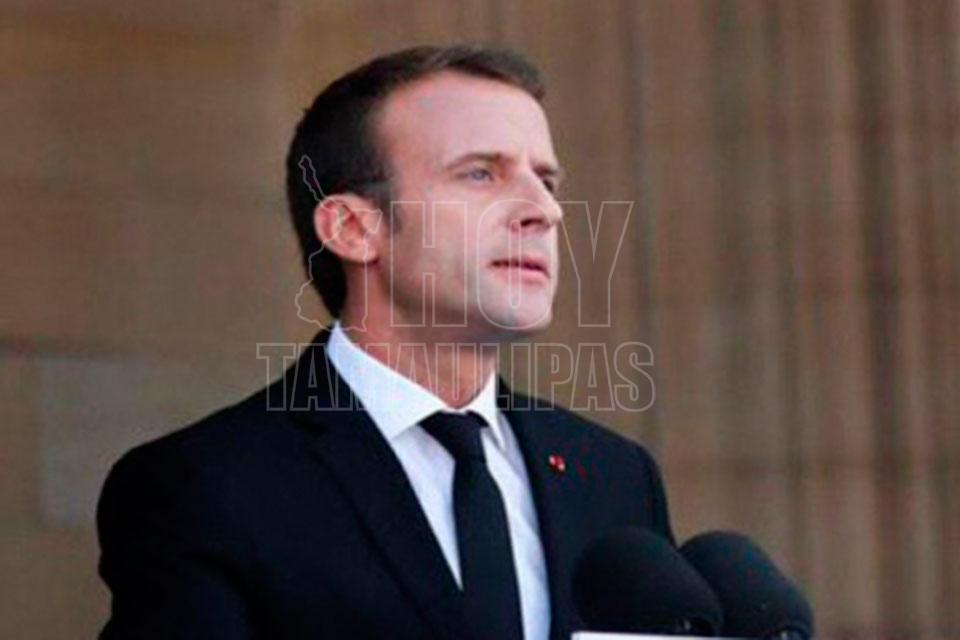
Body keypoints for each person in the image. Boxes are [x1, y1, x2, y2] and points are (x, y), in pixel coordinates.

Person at [96, 45, 673, 640]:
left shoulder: (614, 478)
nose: (544, 211)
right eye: (481, 173)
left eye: (546, 180)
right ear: (352, 228)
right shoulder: (207, 487)